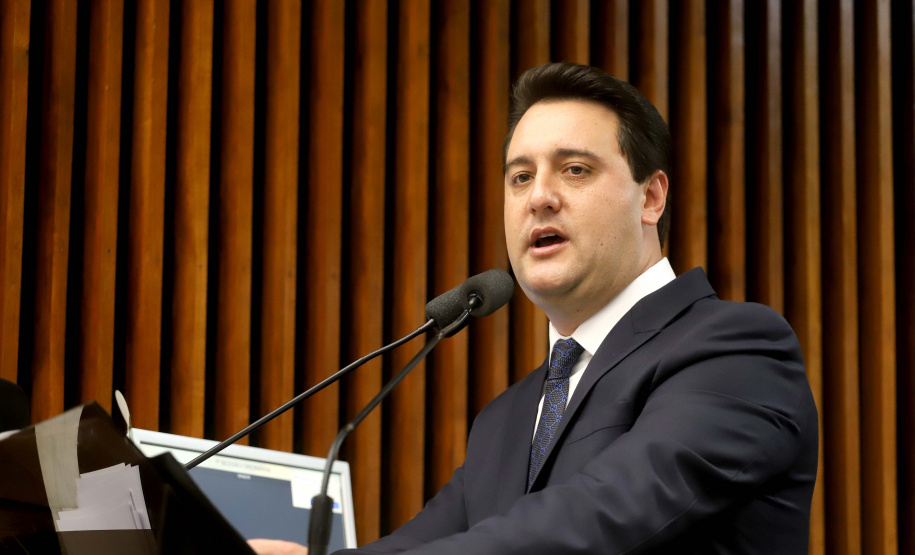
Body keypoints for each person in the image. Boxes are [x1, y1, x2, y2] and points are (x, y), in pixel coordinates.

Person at [250, 62, 818, 555]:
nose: (538, 196)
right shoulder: (507, 418)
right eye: (520, 176)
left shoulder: (738, 349)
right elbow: (422, 544)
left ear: (650, 198)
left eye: (575, 169)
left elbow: (602, 515)